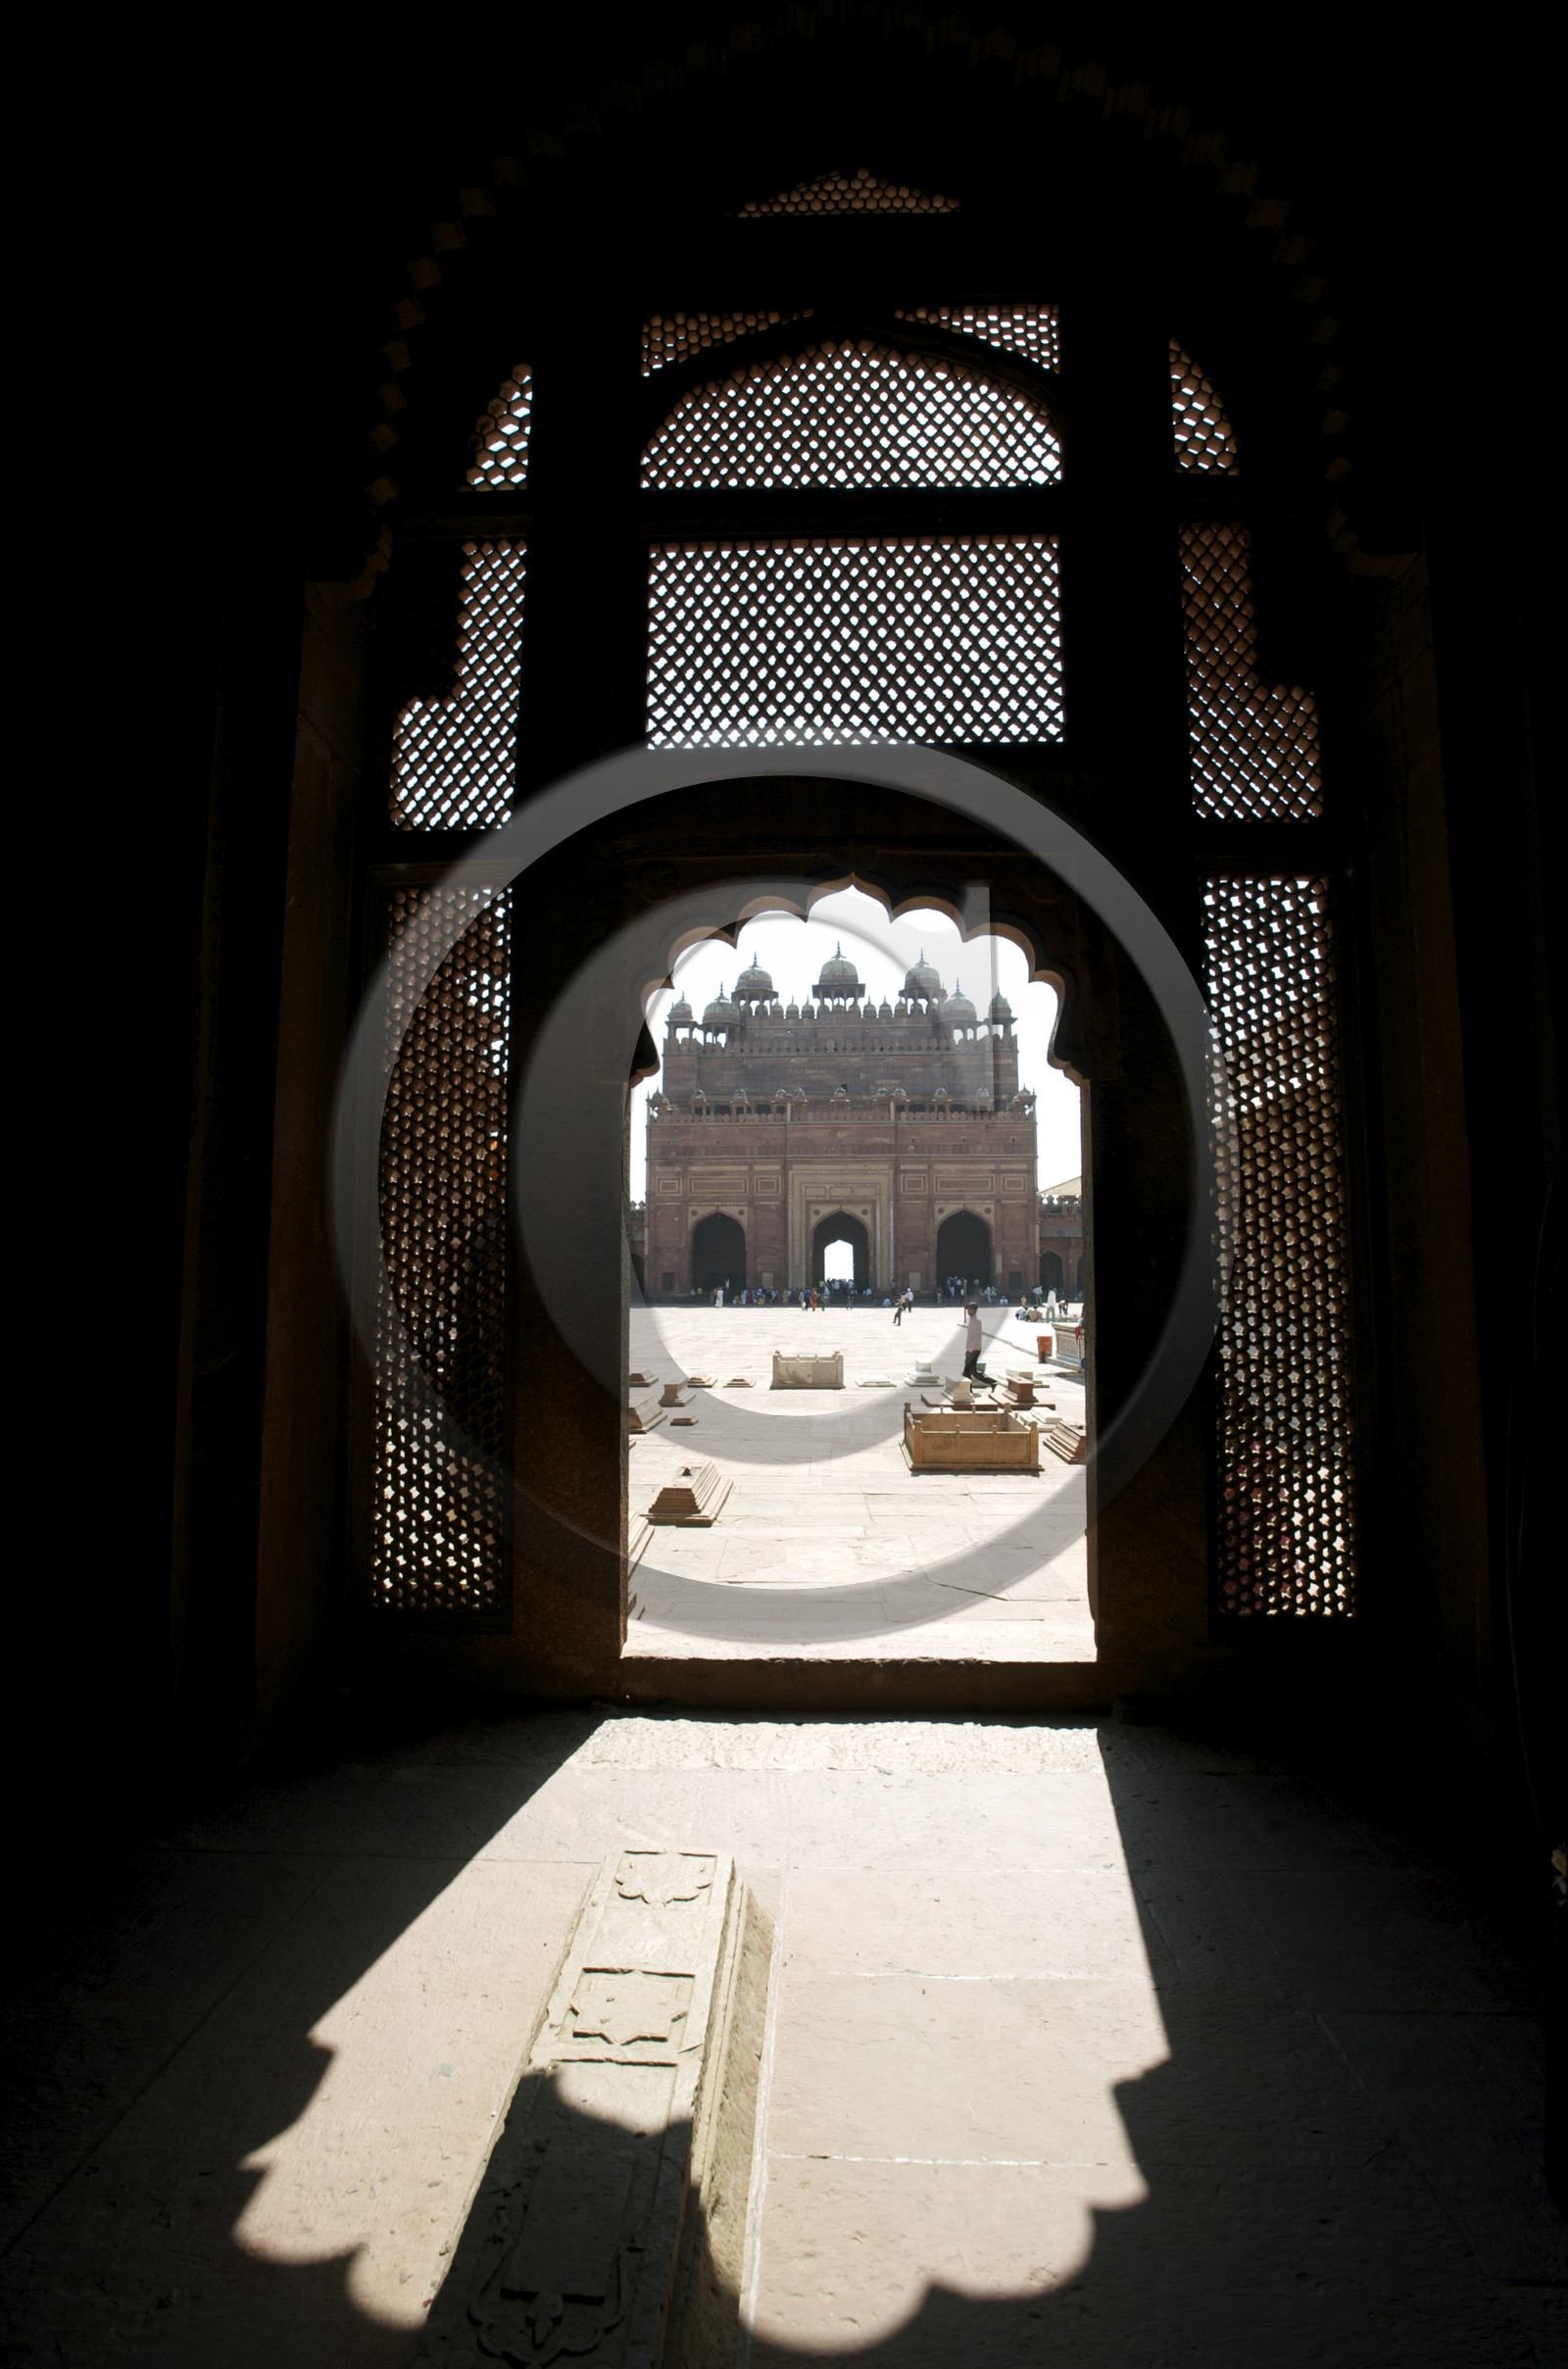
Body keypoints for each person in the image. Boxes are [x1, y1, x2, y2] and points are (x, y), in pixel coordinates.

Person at [962, 1303, 985, 1381]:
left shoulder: (977, 1322)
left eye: (970, 1310)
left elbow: (976, 1337)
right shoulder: (971, 1321)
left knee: (972, 1371)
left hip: (974, 1349)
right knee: (967, 1371)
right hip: (971, 1349)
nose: (968, 1311)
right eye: (968, 1310)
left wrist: (970, 1349)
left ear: (974, 1310)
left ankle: (992, 1382)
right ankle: (968, 1389)